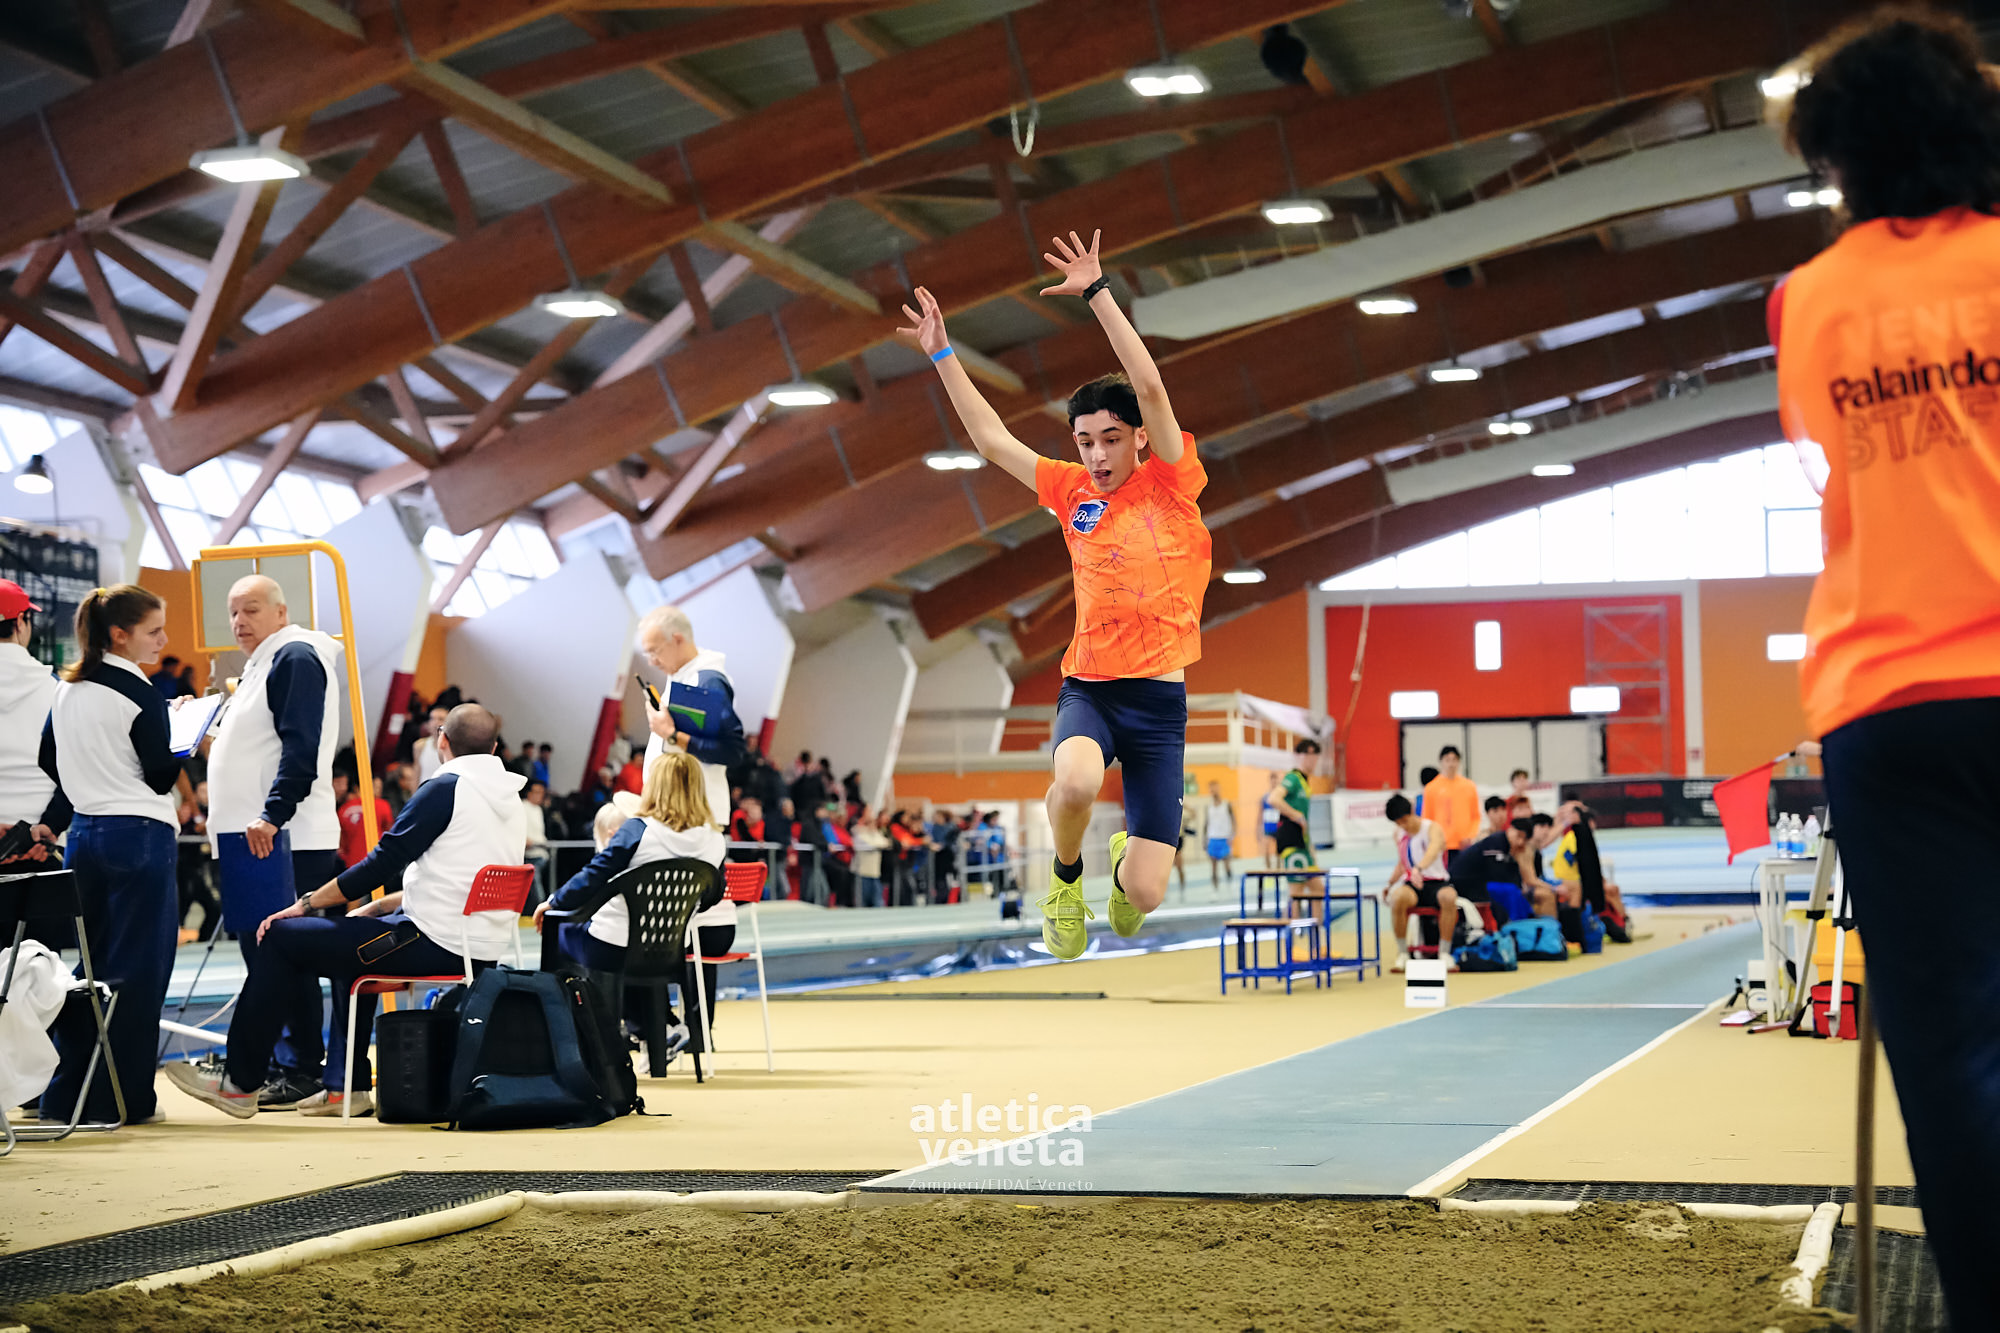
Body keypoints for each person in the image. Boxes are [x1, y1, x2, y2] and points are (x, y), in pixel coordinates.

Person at [1770, 17, 2000, 1322]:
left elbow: (1825, 451)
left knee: (1950, 1049)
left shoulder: (1807, 303)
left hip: (1891, 703)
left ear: (1837, 158)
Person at [899, 228, 1211, 960]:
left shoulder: (1172, 480)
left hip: (1158, 704)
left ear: (1140, 438)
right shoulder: (1071, 491)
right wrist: (942, 353)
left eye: (1111, 438)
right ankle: (1066, 882)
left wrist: (1098, 292)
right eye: (1085, 441)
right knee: (1072, 783)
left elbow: (1152, 388)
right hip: (1092, 687)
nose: (1097, 455)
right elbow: (992, 441)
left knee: (1144, 896)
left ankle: (1123, 870)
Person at [165, 704, 526, 1119]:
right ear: (494, 748)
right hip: (478, 947)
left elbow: (380, 863)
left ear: (442, 740)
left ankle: (239, 1082)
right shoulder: (508, 797)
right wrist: (379, 905)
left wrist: (305, 904)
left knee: (281, 937)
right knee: (352, 942)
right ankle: (344, 1086)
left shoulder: (447, 789)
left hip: (433, 943)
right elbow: (460, 882)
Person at [35, 585, 180, 1125]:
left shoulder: (68, 688)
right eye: (153, 631)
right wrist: (184, 737)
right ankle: (124, 1099)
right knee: (138, 975)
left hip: (84, 836)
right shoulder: (138, 690)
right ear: (119, 635)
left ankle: (65, 1096)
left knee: (89, 973)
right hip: (138, 834)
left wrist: (94, 776)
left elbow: (48, 756)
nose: (163, 640)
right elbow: (161, 774)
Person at [203, 574, 347, 1110]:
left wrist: (272, 814)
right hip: (257, 837)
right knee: (269, 955)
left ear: (282, 613)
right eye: (233, 612)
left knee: (283, 954)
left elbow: (300, 747)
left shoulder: (295, 657)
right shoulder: (261, 665)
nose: (239, 621)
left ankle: (300, 1067)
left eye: (252, 609)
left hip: (282, 837)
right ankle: (289, 1064)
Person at [535, 751, 729, 1064]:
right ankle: (656, 1032)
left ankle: (570, 1049)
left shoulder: (639, 829)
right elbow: (712, 895)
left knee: (562, 935)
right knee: (633, 957)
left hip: (612, 946)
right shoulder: (715, 839)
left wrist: (553, 902)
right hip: (669, 949)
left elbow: (595, 875)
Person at [0, 581, 63, 865]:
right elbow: (75, 770)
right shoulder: (57, 690)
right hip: (41, 845)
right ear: (20, 622)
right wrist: (50, 826)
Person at [1383, 793, 1458, 975]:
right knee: (1397, 898)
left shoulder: (1432, 828)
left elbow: (1433, 850)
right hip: (1413, 886)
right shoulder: (1399, 834)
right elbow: (1402, 863)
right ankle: (1403, 953)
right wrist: (1390, 884)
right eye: (1398, 823)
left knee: (1449, 897)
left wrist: (1419, 868)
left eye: (1404, 820)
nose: (1403, 825)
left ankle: (1444, 953)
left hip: (1436, 883)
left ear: (1412, 812)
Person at [1446, 817, 1529, 928]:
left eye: (1524, 839)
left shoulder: (1507, 847)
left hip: (1478, 882)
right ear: (1510, 829)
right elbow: (1497, 874)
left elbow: (1508, 874)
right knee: (1509, 891)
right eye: (1518, 836)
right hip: (1463, 883)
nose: (1520, 842)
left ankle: (1523, 923)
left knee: (1514, 890)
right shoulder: (1496, 842)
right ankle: (1516, 925)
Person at [1420, 747, 1481, 870]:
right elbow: (1427, 819)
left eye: (1454, 760)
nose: (1451, 764)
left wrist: (1470, 836)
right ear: (1441, 762)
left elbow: (1475, 816)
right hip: (1442, 846)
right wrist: (1434, 840)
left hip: (1464, 844)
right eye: (1447, 760)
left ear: (1459, 762)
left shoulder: (1469, 786)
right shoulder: (1431, 788)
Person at [176, 780, 220, 946]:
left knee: (213, 908)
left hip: (198, 868)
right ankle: (177, 936)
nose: (206, 795)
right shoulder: (187, 810)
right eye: (202, 791)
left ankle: (203, 939)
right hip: (182, 867)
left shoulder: (208, 812)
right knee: (181, 906)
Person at [1271, 738, 1319, 874]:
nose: (1314, 761)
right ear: (1302, 756)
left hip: (1302, 842)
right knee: (1298, 886)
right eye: (1310, 756)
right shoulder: (1293, 777)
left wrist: (1310, 848)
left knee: (1317, 886)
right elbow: (1273, 798)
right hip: (1291, 840)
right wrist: (1296, 815)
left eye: (1315, 757)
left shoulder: (1305, 782)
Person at [335, 767, 390, 872]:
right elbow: (389, 832)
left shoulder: (344, 809)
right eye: (375, 787)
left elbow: (341, 842)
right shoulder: (382, 805)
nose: (378, 791)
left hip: (351, 864)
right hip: (376, 861)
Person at [849, 809, 891, 909]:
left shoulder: (875, 834)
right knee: (862, 901)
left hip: (875, 872)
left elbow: (885, 843)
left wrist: (876, 842)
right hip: (862, 872)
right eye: (871, 823)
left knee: (877, 900)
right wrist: (877, 844)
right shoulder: (859, 833)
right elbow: (871, 844)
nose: (873, 825)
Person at [1202, 781, 1235, 889]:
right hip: (1213, 838)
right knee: (1213, 868)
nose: (1213, 791)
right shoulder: (1208, 807)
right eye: (1211, 789)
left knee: (1227, 865)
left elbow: (1233, 821)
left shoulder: (1227, 804)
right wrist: (1204, 840)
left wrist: (1232, 836)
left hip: (1224, 838)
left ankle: (1230, 884)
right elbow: (1206, 824)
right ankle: (1215, 890)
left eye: (1215, 788)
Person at [522, 778, 551, 900]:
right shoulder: (522, 806)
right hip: (529, 854)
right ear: (529, 793)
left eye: (542, 793)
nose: (540, 796)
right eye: (537, 792)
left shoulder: (539, 809)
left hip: (541, 853)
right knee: (535, 891)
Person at [1259, 774, 1280, 869]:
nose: (1274, 783)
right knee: (1266, 849)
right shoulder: (1265, 797)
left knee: (1279, 850)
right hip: (1268, 826)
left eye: (1275, 781)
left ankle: (1278, 869)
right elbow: (1260, 812)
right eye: (1272, 781)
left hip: (1278, 825)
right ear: (1270, 782)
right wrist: (1259, 828)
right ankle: (1268, 869)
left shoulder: (1280, 796)